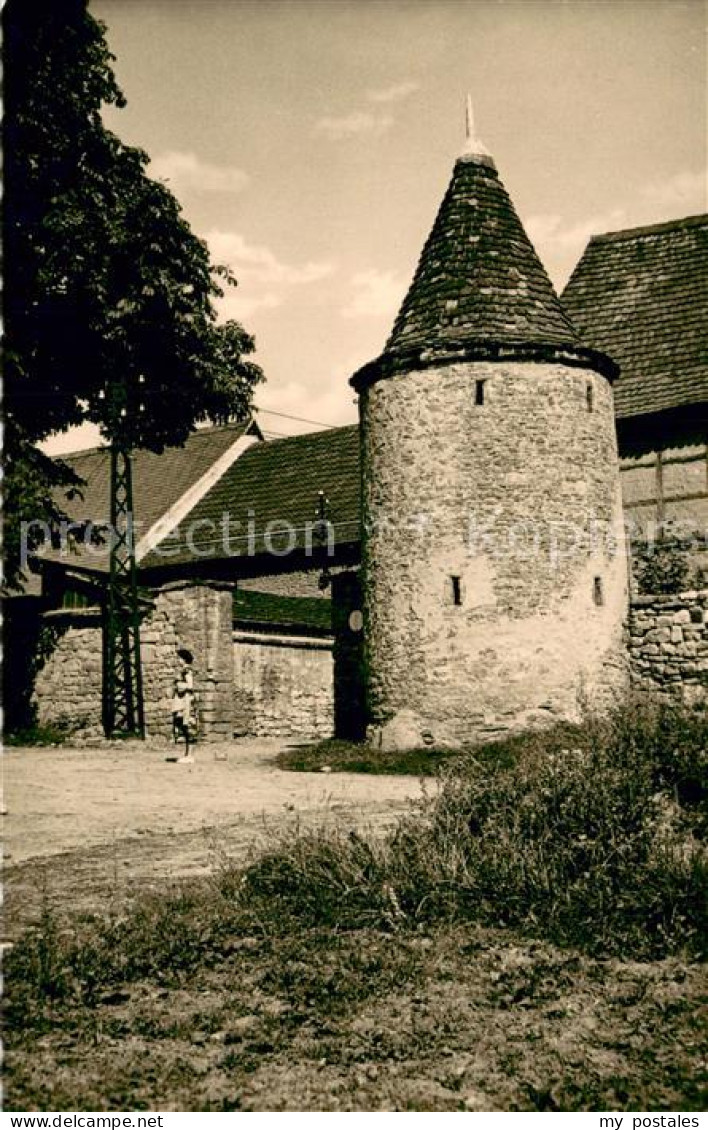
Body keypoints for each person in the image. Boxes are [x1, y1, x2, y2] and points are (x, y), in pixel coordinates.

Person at [171, 647, 198, 762]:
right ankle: (187, 755)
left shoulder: (186, 670)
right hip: (184, 701)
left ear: (183, 659)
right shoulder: (183, 670)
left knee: (189, 727)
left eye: (179, 658)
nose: (178, 660)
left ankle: (190, 756)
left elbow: (190, 685)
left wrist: (180, 686)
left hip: (187, 701)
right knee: (186, 727)